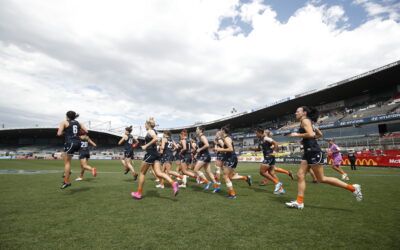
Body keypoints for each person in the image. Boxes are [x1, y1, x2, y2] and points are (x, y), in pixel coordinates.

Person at [285, 106, 362, 209]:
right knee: (300, 175)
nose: (295, 113)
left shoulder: (305, 120)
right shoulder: (307, 121)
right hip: (308, 152)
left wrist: (296, 135)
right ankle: (299, 202)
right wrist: (306, 136)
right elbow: (318, 134)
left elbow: (311, 134)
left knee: (321, 178)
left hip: (313, 151)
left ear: (304, 113)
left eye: (297, 111)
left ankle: (353, 188)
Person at [131, 118, 179, 199]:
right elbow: (156, 140)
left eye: (145, 124)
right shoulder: (154, 131)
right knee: (158, 173)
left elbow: (155, 139)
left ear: (148, 124)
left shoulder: (150, 131)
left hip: (151, 154)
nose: (144, 125)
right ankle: (173, 183)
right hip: (156, 154)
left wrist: (146, 146)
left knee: (142, 173)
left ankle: (139, 193)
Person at [215, 125, 250, 198]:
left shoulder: (226, 139)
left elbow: (230, 149)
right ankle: (246, 178)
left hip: (230, 159)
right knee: (230, 177)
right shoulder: (226, 138)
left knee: (225, 176)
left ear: (223, 131)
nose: (220, 132)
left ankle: (232, 194)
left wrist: (220, 149)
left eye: (221, 130)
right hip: (231, 158)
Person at [57, 111, 88, 189]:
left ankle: (66, 181)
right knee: (63, 155)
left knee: (67, 162)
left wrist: (67, 132)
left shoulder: (64, 122)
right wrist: (77, 133)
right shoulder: (79, 123)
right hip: (78, 142)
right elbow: (86, 131)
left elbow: (59, 133)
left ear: (67, 116)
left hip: (70, 142)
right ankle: (68, 172)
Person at [249, 128, 285, 194]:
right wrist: (252, 149)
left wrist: (274, 152)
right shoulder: (260, 140)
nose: (255, 134)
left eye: (256, 133)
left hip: (269, 156)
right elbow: (259, 148)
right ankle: (280, 189)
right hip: (268, 156)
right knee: (271, 172)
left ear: (260, 132)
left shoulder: (265, 138)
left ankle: (277, 183)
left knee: (262, 172)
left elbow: (275, 143)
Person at [193, 126, 220, 192]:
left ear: (200, 130)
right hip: (205, 155)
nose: (196, 130)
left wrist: (199, 149)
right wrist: (197, 153)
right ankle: (216, 186)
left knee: (196, 169)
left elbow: (207, 145)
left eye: (197, 129)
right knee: (208, 172)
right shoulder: (199, 137)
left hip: (205, 156)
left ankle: (207, 182)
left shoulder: (202, 137)